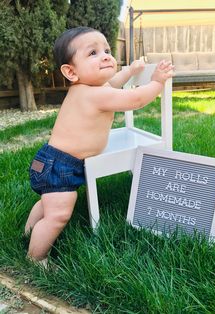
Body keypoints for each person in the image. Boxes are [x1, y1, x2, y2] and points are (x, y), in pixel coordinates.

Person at [25, 26, 174, 265]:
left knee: (48, 203)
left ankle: (30, 232)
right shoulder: (92, 95)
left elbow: (114, 82)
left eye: (106, 49)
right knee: (59, 215)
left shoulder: (91, 88)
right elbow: (135, 99)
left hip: (53, 161)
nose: (105, 55)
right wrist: (156, 82)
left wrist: (130, 71)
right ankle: (36, 258)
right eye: (92, 53)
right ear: (71, 72)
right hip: (60, 166)